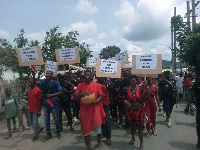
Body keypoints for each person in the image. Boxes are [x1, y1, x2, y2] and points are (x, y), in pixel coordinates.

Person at [74, 69, 106, 150]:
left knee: (97, 128)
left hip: (94, 109)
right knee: (85, 129)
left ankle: (99, 139)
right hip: (84, 110)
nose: (86, 76)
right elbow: (75, 95)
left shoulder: (96, 85)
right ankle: (88, 146)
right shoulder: (80, 85)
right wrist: (82, 94)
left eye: (88, 75)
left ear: (91, 76)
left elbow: (101, 96)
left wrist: (95, 102)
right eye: (85, 75)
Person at [37, 71, 63, 142]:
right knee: (46, 119)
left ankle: (58, 131)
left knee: (56, 118)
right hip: (46, 102)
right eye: (46, 73)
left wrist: (53, 95)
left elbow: (61, 91)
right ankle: (48, 134)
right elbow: (36, 83)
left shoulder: (56, 83)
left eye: (48, 73)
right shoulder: (44, 82)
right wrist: (37, 74)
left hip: (53, 102)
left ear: (52, 75)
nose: (47, 74)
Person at [122, 75, 144, 150]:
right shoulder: (127, 90)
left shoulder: (140, 89)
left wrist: (146, 88)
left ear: (137, 81)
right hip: (130, 110)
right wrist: (126, 102)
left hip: (139, 111)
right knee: (132, 126)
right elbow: (123, 98)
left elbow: (145, 98)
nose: (133, 82)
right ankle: (133, 138)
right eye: (132, 81)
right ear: (130, 82)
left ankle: (141, 144)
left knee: (140, 127)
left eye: (135, 81)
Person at [186, 71, 200, 148]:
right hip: (199, 106)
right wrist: (187, 107)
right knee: (199, 124)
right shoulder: (196, 84)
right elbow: (192, 96)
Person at [96, 77, 112, 145]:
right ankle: (103, 133)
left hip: (105, 104)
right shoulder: (95, 84)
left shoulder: (107, 83)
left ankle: (108, 137)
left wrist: (109, 84)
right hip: (98, 104)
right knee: (100, 120)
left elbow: (111, 89)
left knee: (107, 120)